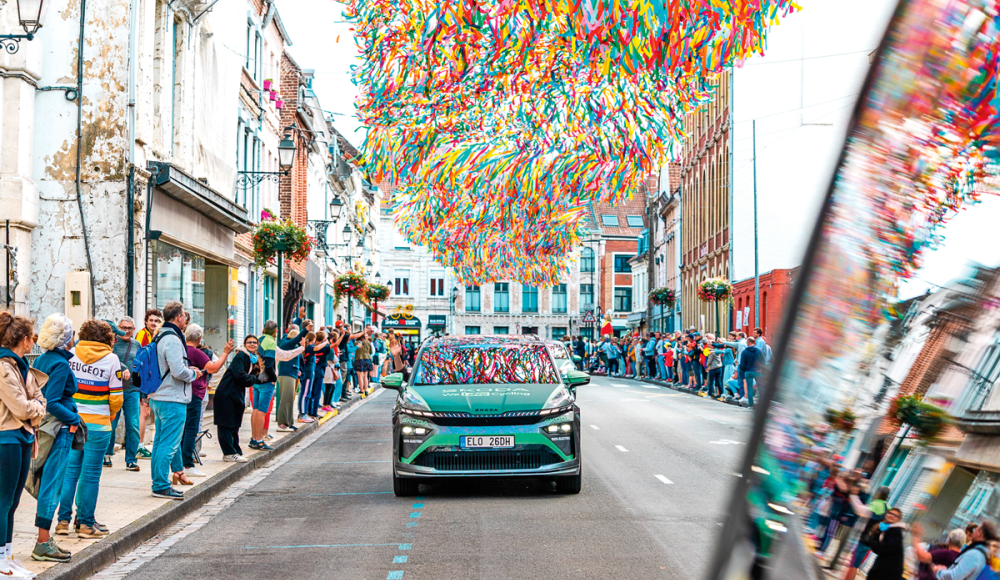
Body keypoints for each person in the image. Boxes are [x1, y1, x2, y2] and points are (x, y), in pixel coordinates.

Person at [58, 319, 122, 538]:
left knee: (70, 473)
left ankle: (63, 521)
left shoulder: (71, 355)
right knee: (91, 475)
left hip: (73, 421)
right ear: (107, 338)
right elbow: (116, 397)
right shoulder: (111, 359)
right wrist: (110, 413)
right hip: (98, 424)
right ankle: (85, 524)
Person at [30, 314, 80, 563]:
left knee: (48, 483)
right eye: (72, 334)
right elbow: (53, 403)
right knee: (52, 485)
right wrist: (74, 419)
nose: (74, 338)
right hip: (58, 429)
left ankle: (44, 540)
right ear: (66, 338)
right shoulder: (60, 364)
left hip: (44, 427)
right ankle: (43, 542)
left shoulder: (42, 359)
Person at [0, 313, 46, 578]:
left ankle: (7, 555)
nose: (33, 341)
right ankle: (0, 559)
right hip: (7, 436)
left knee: (13, 501)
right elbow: (20, 407)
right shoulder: (4, 366)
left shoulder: (21, 366)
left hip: (23, 435)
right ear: (25, 340)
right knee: (4, 500)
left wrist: (35, 407)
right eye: (32, 337)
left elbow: (40, 398)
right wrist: (36, 408)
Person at [148, 301, 201, 501]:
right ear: (179, 317)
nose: (185, 319)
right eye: (184, 316)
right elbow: (178, 371)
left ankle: (159, 482)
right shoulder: (172, 339)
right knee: (168, 444)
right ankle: (161, 486)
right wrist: (193, 374)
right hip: (172, 398)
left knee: (160, 442)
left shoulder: (160, 335)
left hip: (160, 396)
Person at [181, 325, 233, 476]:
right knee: (191, 428)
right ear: (199, 339)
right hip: (195, 394)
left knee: (182, 429)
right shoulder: (197, 352)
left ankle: (180, 463)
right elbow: (214, 368)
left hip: (180, 394)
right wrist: (225, 353)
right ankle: (187, 464)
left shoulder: (180, 350)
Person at [214, 335, 269, 462]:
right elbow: (240, 375)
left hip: (236, 394)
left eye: (254, 342)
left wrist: (255, 378)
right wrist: (255, 379)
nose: (252, 344)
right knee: (226, 424)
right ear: (245, 344)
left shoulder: (252, 358)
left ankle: (235, 451)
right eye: (249, 342)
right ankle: (228, 453)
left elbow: (248, 378)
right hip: (226, 394)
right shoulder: (241, 356)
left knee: (234, 425)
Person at [106, 317, 140, 471]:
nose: (126, 331)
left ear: (134, 329)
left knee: (133, 425)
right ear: (118, 328)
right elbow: (107, 358)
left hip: (132, 390)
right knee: (111, 425)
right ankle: (107, 455)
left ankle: (131, 460)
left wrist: (142, 391)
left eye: (129, 328)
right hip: (114, 389)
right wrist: (122, 367)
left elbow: (139, 367)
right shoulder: (112, 342)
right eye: (124, 328)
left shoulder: (137, 345)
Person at [843, 485, 891, 580]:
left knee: (853, 565)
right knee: (856, 565)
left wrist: (853, 496)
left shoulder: (875, 504)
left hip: (865, 539)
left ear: (878, 493)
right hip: (874, 543)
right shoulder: (889, 508)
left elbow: (860, 510)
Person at [935, 521, 1000, 580]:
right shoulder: (985, 555)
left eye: (976, 529)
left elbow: (954, 577)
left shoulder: (974, 554)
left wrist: (938, 571)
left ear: (980, 532)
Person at [275, 325, 305, 431]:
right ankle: (282, 424)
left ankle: (288, 422)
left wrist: (298, 370)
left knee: (290, 400)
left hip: (291, 374)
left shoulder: (294, 345)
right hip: (286, 374)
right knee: (286, 399)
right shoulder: (286, 343)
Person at [864, 507, 906, 580]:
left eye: (895, 515)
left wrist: (872, 542)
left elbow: (887, 548)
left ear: (898, 519)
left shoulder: (895, 530)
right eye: (890, 513)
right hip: (884, 565)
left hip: (889, 569)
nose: (892, 516)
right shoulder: (885, 528)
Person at [736, 337, 765, 407]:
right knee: (760, 387)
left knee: (749, 388)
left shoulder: (744, 352)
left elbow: (742, 364)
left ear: (748, 342)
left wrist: (743, 371)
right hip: (757, 371)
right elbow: (763, 361)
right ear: (754, 342)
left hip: (748, 371)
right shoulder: (759, 350)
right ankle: (763, 404)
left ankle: (751, 405)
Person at [352, 326, 376, 395]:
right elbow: (371, 352)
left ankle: (361, 390)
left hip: (359, 359)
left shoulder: (356, 343)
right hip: (367, 359)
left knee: (360, 376)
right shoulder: (368, 342)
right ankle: (366, 390)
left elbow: (354, 351)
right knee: (365, 376)